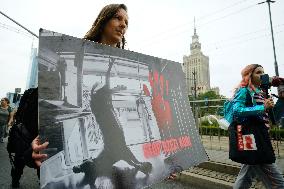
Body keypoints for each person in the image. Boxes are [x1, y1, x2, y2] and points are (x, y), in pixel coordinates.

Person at [231, 64, 284, 189]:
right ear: (249, 75)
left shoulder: (261, 92)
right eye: (258, 72)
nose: (263, 75)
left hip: (259, 137)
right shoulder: (244, 90)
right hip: (252, 139)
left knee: (246, 177)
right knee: (278, 183)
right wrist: (262, 107)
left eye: (263, 72)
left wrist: (281, 100)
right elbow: (236, 110)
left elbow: (272, 118)